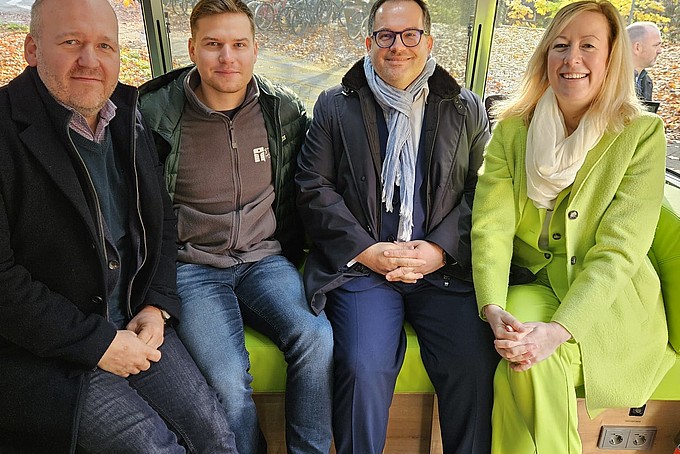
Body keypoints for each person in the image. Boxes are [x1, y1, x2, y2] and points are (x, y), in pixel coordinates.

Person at [0, 0, 240, 453]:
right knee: (154, 447)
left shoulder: (128, 118)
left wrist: (156, 304)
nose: (90, 60)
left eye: (105, 45)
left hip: (134, 322)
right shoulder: (7, 132)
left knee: (217, 434)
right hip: (46, 351)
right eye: (71, 42)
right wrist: (98, 343)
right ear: (32, 49)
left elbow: (161, 221)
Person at [471, 2, 676, 453]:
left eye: (588, 46)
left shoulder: (641, 134)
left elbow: (619, 251)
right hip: (535, 281)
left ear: (611, 58)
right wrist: (491, 305)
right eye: (560, 46)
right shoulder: (510, 129)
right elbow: (491, 226)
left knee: (528, 363)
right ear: (546, 55)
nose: (572, 59)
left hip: (611, 298)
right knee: (520, 348)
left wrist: (559, 330)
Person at [295, 0, 499, 452]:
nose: (397, 46)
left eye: (410, 35)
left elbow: (482, 192)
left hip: (442, 271)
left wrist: (439, 249)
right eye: (385, 35)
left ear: (428, 42)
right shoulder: (335, 105)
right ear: (369, 43)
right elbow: (313, 187)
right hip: (365, 270)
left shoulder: (465, 108)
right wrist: (367, 250)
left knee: (472, 361)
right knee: (362, 364)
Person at [138, 0, 334, 453]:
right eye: (213, 45)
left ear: (255, 49)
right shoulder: (155, 115)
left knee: (317, 338)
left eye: (239, 44)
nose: (227, 57)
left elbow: (312, 185)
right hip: (193, 268)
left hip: (264, 260)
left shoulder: (281, 112)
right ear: (191, 48)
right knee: (226, 379)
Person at [627, 21, 662, 101]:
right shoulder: (613, 80)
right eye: (656, 45)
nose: (660, 51)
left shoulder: (646, 81)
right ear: (637, 48)